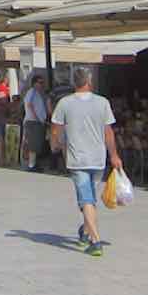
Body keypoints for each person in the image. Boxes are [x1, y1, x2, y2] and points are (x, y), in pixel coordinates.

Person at [49, 68, 123, 257]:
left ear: (75, 83)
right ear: (89, 82)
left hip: (77, 159)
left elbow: (55, 130)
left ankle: (95, 241)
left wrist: (56, 144)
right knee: (89, 198)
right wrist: (114, 155)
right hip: (98, 159)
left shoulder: (64, 103)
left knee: (86, 199)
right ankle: (85, 230)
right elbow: (109, 132)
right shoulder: (102, 103)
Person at [21, 74, 49, 171]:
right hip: (33, 122)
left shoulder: (37, 93)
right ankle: (31, 165)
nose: (42, 85)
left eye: (42, 83)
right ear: (34, 83)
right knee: (33, 144)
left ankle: (33, 164)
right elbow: (29, 104)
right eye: (40, 82)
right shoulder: (32, 91)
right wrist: (37, 118)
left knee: (36, 144)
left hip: (36, 122)